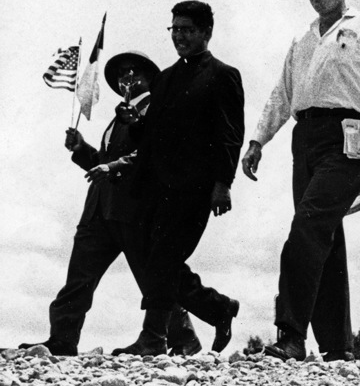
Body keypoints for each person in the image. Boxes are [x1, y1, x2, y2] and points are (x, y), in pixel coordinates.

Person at [243, 0, 360, 362]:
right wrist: (258, 140)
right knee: (324, 238)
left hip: (349, 137)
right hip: (306, 137)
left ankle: (291, 334)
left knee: (308, 227)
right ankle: (337, 344)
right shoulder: (303, 39)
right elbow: (282, 92)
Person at [26, 51, 234, 356]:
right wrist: (80, 149)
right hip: (99, 211)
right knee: (79, 279)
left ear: (151, 79)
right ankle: (62, 338)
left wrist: (112, 167)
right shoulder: (117, 117)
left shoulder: (159, 110)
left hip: (137, 212)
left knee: (160, 280)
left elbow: (150, 156)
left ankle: (206, 320)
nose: (128, 78)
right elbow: (101, 163)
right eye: (123, 74)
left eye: (136, 72)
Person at [113, 3, 245, 356]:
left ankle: (153, 338)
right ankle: (218, 308)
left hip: (195, 188)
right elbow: (152, 133)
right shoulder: (165, 78)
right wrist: (133, 123)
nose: (180, 36)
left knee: (162, 259)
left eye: (187, 29)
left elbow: (231, 134)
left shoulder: (223, 75)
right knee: (158, 258)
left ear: (206, 33)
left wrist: (223, 184)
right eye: (174, 29)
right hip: (155, 185)